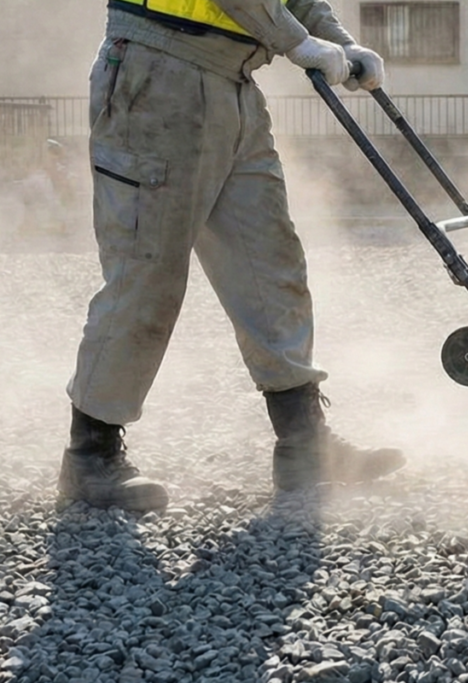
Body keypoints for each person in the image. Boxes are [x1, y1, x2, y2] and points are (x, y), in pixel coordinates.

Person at [58, 0, 405, 512]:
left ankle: (304, 442)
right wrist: (301, 44)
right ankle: (91, 454)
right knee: (147, 269)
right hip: (157, 69)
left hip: (235, 81)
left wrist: (342, 42)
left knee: (271, 263)